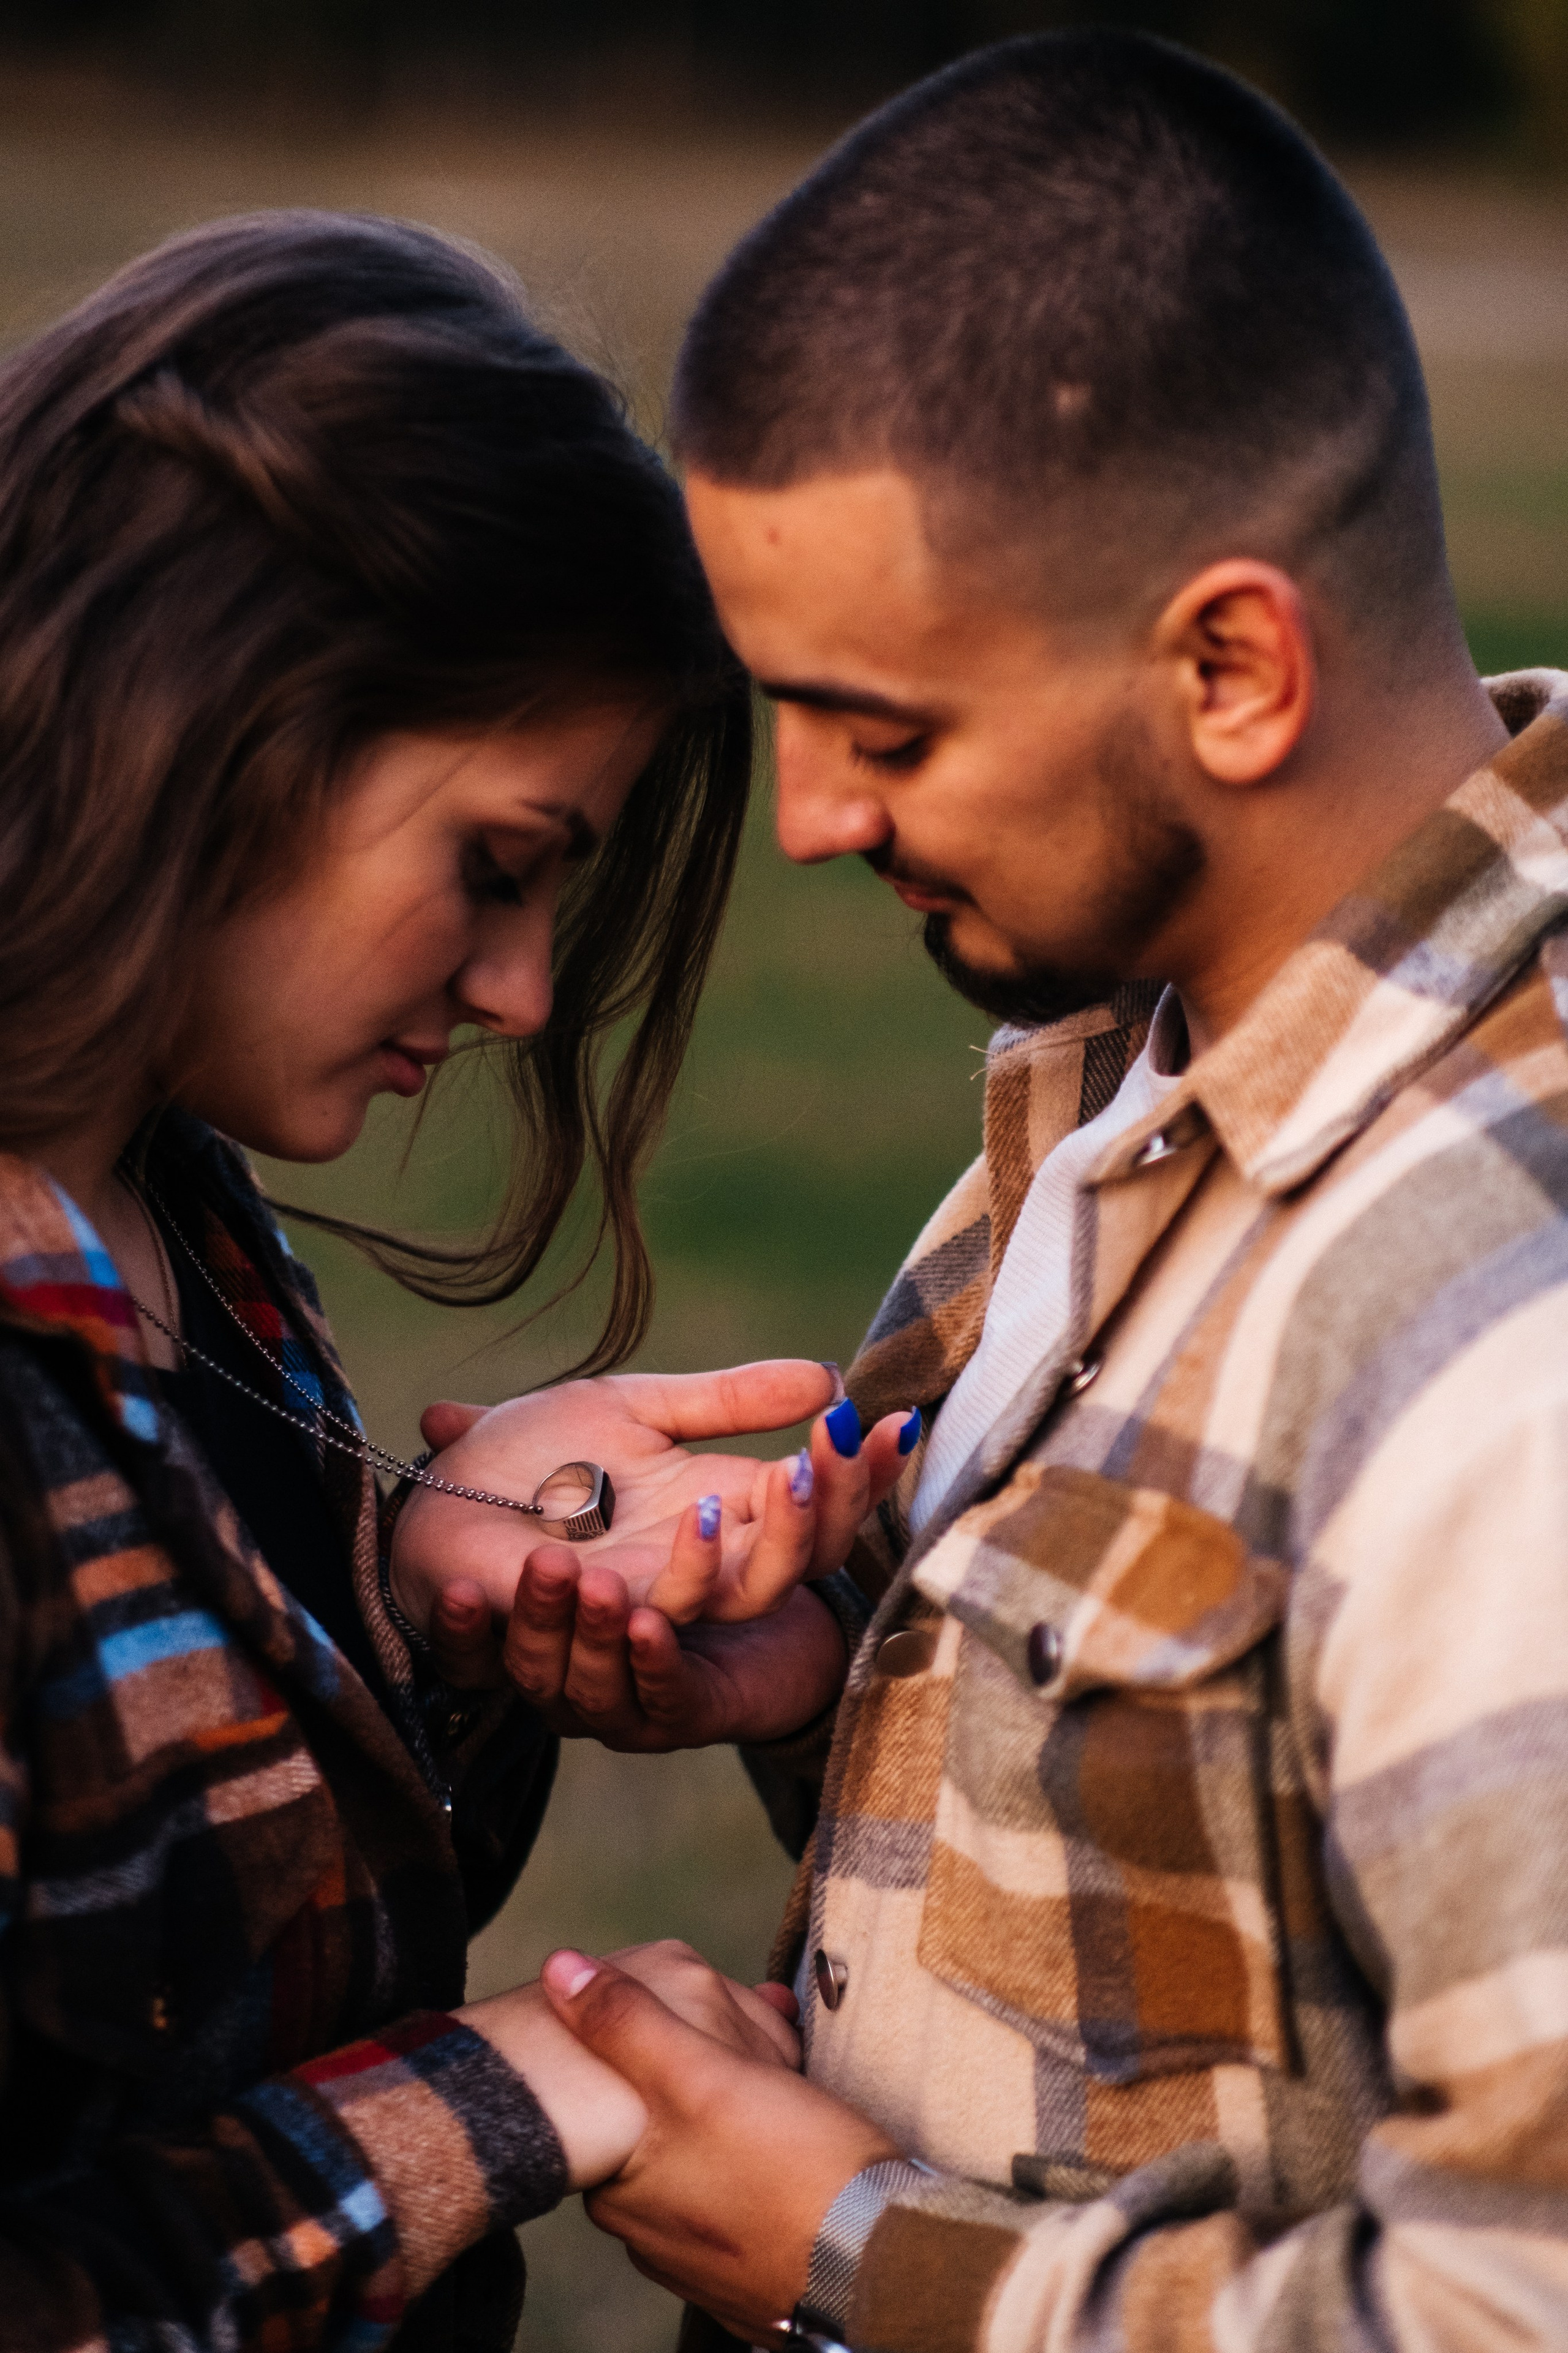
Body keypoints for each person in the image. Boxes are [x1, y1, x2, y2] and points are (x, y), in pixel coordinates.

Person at [429, 29, 1568, 2352]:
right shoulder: (1129, 1091)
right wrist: (826, 1695)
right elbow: (1228, 1906)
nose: (819, 818)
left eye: (893, 728)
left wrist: (864, 2255)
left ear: (1233, 666)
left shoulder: (1500, 1327)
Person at [0, 208, 917, 2353]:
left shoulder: (178, 1211)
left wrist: (432, 1602)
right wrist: (497, 2099)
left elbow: (171, 1991)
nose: (518, 988)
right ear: (207, 721)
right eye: (494, 866)